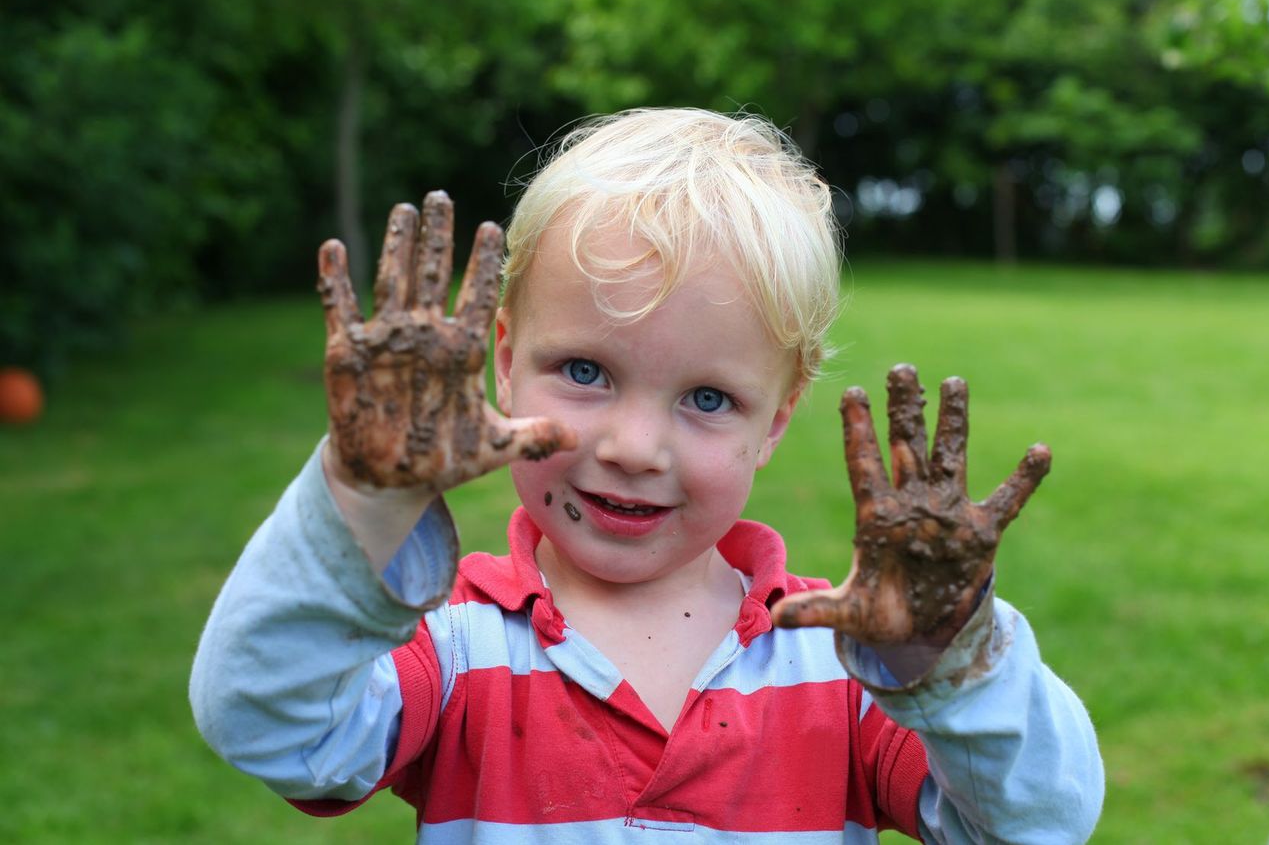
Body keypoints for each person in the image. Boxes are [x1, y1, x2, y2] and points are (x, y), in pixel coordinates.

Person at [190, 108, 1104, 843]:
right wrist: (366, 498)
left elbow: (1040, 823)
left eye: (707, 398)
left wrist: (947, 655)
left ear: (777, 419)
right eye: (586, 372)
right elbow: (263, 721)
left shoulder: (842, 666)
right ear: (502, 361)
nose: (634, 446)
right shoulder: (457, 646)